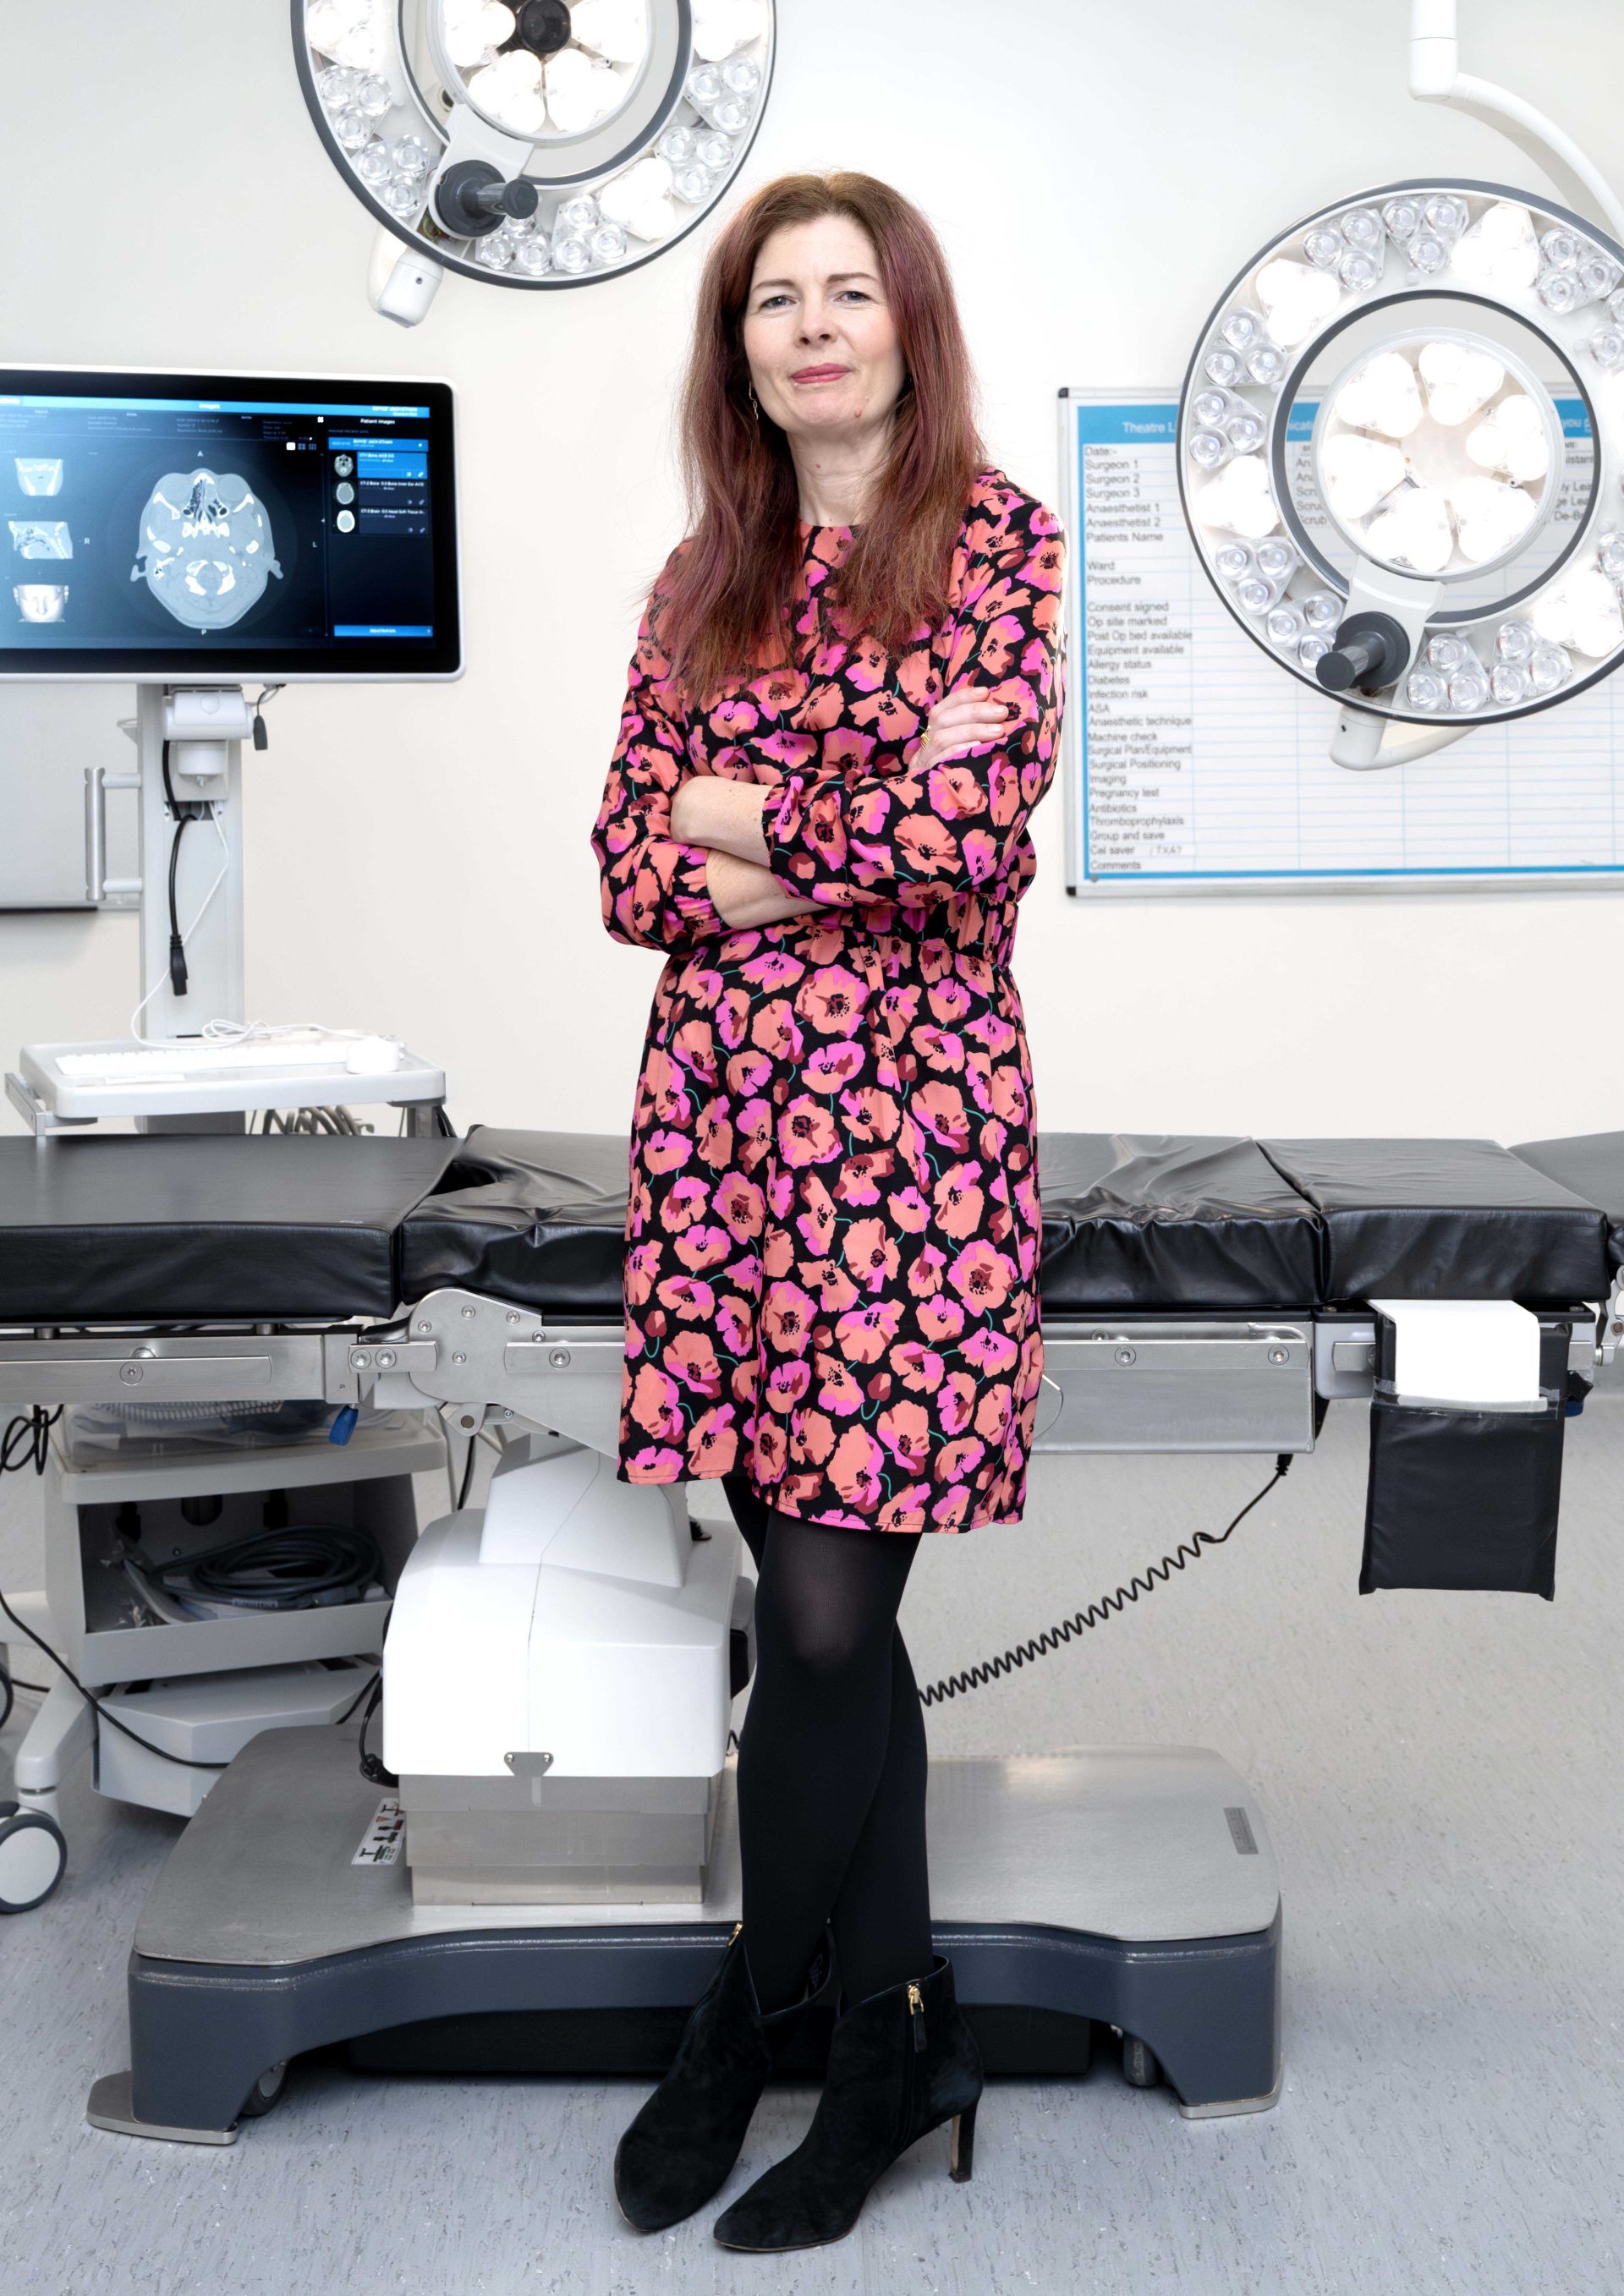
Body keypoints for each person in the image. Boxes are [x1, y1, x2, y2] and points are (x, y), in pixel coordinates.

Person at [589, 167, 1065, 2254]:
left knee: (827, 1620)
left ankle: (744, 2012)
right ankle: (890, 2033)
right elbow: (622, 866)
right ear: (740, 350)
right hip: (727, 1138)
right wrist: (855, 803)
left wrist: (745, 809)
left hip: (912, 1139)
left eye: (843, 293)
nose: (808, 327)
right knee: (828, 1632)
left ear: (906, 321)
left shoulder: (1006, 546)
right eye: (771, 300)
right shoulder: (700, 575)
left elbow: (972, 846)